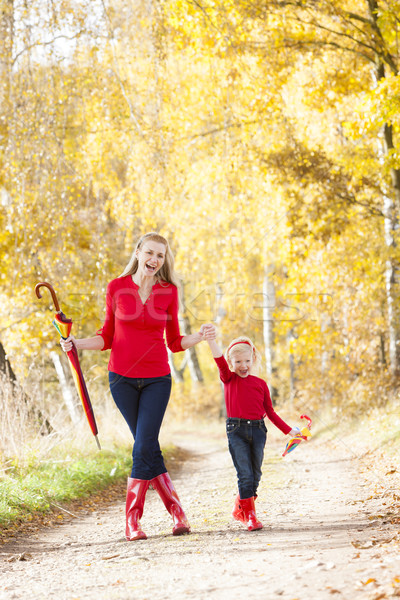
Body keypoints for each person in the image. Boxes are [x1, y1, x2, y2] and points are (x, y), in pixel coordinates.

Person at [60, 232, 215, 541]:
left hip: (158, 377)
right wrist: (75, 343)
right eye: (150, 253)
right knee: (148, 446)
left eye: (160, 255)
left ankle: (133, 520)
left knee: (143, 445)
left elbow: (173, 341)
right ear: (138, 252)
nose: (155, 260)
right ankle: (177, 512)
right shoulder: (116, 288)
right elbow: (106, 337)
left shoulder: (169, 291)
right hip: (121, 379)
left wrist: (197, 337)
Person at [205, 333, 299, 531]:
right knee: (245, 475)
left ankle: (240, 507)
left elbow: (270, 412)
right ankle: (250, 516)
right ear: (231, 363)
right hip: (236, 430)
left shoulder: (261, 384)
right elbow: (219, 360)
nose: (243, 365)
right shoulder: (228, 378)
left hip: (258, 431)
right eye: (238, 361)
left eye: (247, 360)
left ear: (253, 359)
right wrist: (211, 340)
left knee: (255, 475)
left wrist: (289, 431)